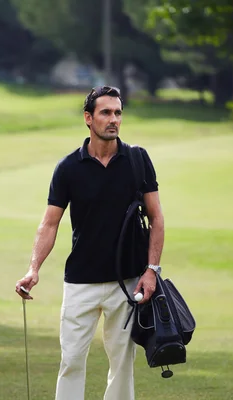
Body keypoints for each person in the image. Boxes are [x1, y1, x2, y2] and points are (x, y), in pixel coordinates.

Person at [15, 86, 165, 400]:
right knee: (70, 360)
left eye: (118, 113)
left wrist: (151, 270)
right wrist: (34, 268)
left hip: (127, 283)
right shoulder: (68, 167)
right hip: (80, 282)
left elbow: (157, 218)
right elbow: (49, 222)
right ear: (88, 118)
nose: (114, 119)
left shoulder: (138, 160)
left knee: (122, 363)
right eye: (106, 112)